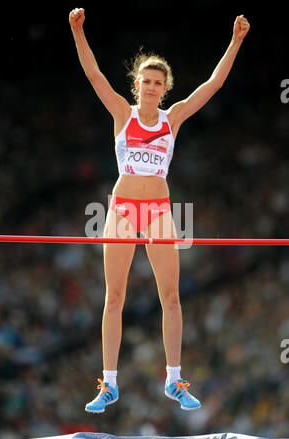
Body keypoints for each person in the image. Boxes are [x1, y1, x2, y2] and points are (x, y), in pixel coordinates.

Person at [69, 8, 250, 413]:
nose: (151, 87)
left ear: (165, 89)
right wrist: (78, 33)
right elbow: (94, 76)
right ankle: (109, 384)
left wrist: (235, 41)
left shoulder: (174, 118)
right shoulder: (122, 113)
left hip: (158, 209)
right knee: (113, 297)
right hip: (121, 208)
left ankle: (174, 380)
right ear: (137, 85)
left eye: (158, 83)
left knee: (171, 297)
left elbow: (214, 83)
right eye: (146, 81)